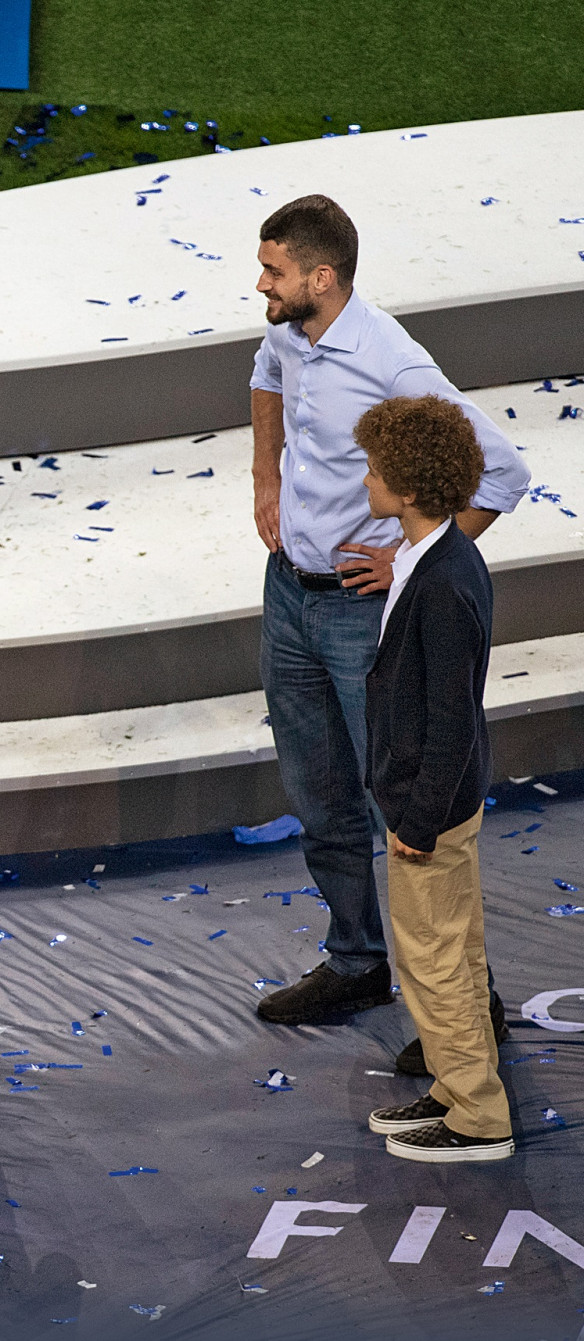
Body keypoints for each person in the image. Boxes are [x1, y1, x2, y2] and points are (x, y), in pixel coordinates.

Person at [247, 195, 530, 1051]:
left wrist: (412, 560)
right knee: (319, 797)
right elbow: (265, 375)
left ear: (321, 278)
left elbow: (504, 473)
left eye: (273, 272)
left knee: (405, 808)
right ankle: (356, 959)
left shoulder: (393, 362)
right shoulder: (290, 331)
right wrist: (265, 475)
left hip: (359, 617)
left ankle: (466, 1007)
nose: (261, 286)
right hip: (288, 597)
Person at [353, 396, 514, 1164]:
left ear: (409, 488)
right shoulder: (436, 558)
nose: (365, 479)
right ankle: (456, 1087)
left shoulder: (443, 582)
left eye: (375, 469)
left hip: (431, 810)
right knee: (454, 953)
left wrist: (416, 822)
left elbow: (450, 722)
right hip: (436, 799)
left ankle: (478, 1117)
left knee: (435, 962)